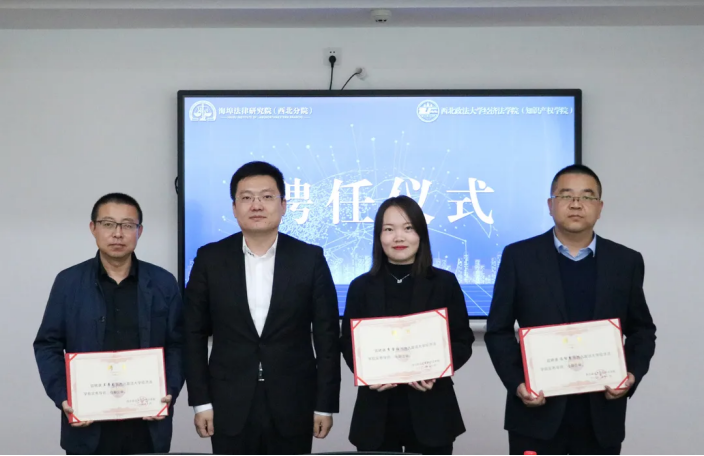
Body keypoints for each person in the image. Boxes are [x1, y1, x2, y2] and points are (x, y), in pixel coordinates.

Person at [485, 164, 657, 455]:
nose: (576, 204)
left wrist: (630, 374)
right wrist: (518, 384)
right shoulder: (519, 257)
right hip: (536, 414)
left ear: (600, 208)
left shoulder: (626, 261)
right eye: (566, 195)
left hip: (601, 416)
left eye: (587, 197)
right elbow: (498, 330)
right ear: (550, 205)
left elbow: (642, 330)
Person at [184, 161, 340, 455]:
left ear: (283, 205)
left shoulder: (309, 259)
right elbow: (192, 335)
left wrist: (325, 404)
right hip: (228, 402)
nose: (256, 205)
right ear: (234, 208)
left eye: (267, 196)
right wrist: (201, 402)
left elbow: (327, 336)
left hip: (294, 401)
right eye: (246, 197)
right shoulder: (210, 259)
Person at [33, 193, 185, 455]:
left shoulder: (163, 282)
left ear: (139, 231)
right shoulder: (68, 282)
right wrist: (64, 396)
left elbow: (178, 345)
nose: (117, 233)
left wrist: (168, 390)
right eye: (108, 224)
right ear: (93, 228)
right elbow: (48, 345)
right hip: (88, 427)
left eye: (127, 225)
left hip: (146, 425)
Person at [340, 196, 475, 455]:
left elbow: (462, 340)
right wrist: (366, 373)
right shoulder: (361, 287)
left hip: (432, 408)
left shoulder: (444, 283)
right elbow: (348, 342)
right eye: (389, 229)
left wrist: (437, 371)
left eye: (408, 228)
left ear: (421, 234)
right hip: (376, 411)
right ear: (379, 237)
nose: (398, 237)